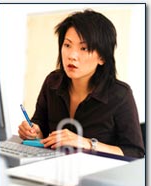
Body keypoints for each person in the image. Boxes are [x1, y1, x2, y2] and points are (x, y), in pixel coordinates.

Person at [18, 9, 144, 158]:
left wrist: (88, 143)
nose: (72, 56)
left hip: (96, 177)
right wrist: (34, 132)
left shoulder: (120, 95)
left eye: (83, 48)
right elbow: (40, 127)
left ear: (102, 57)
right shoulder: (52, 83)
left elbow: (135, 153)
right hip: (54, 170)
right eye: (67, 45)